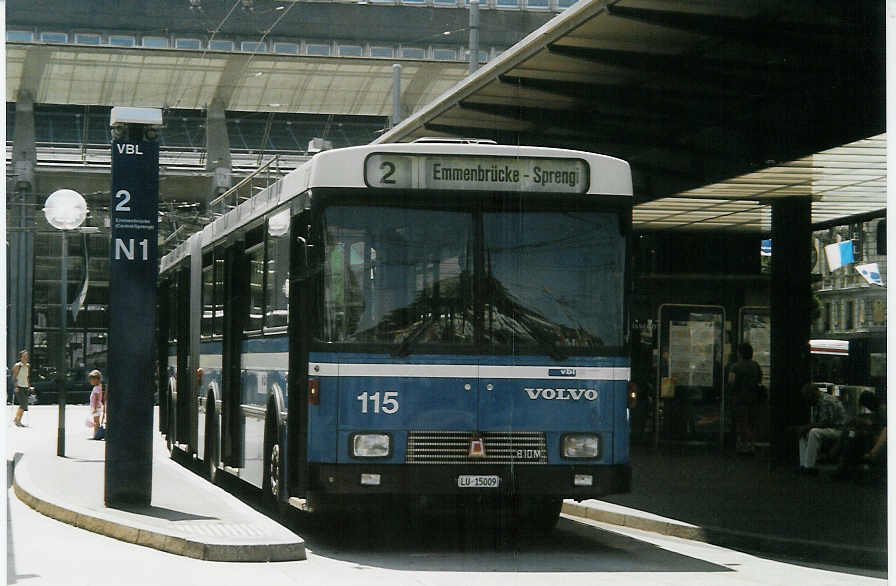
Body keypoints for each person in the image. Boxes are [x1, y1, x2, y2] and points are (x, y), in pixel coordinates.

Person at [831, 391, 885, 480]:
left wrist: (866, 424)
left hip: (878, 437)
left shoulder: (882, 410)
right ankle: (842, 462)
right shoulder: (876, 410)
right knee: (851, 432)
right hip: (872, 434)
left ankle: (840, 461)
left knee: (853, 435)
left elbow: (881, 429)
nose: (867, 408)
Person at [796, 383, 846, 475]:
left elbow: (826, 423)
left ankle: (809, 466)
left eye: (807, 398)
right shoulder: (817, 402)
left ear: (813, 394)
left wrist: (806, 427)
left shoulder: (827, 401)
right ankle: (803, 464)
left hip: (838, 429)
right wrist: (804, 429)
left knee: (813, 432)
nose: (806, 401)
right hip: (830, 428)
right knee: (804, 433)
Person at [728, 342, 762, 454]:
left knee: (741, 423)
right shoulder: (756, 365)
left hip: (739, 399)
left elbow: (731, 382)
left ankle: (743, 445)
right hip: (753, 398)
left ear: (740, 353)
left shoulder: (735, 367)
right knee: (751, 423)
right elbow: (759, 380)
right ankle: (751, 445)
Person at [12, 350, 31, 427]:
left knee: (24, 405)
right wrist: (15, 386)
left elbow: (27, 377)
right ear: (21, 357)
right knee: (23, 404)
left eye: (26, 356)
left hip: (25, 387)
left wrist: (29, 386)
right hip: (19, 387)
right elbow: (14, 377)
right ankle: (17, 420)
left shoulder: (28, 365)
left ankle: (17, 419)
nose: (26, 357)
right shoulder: (17, 365)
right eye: (24, 356)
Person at [87, 369, 105, 440]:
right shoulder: (99, 387)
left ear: (96, 379)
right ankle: (97, 434)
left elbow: (96, 399)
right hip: (97, 407)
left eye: (91, 379)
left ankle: (96, 435)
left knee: (96, 421)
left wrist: (94, 408)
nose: (90, 381)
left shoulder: (96, 388)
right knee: (96, 421)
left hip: (96, 407)